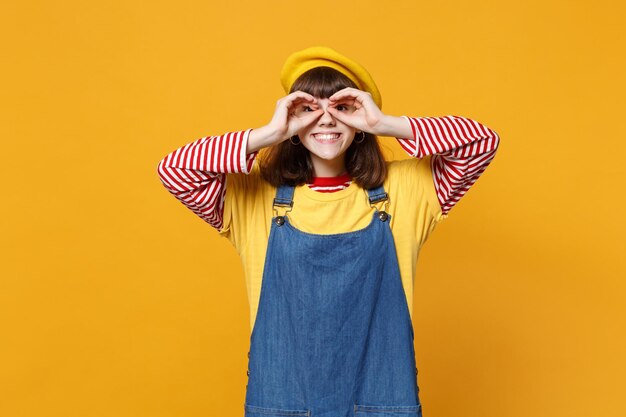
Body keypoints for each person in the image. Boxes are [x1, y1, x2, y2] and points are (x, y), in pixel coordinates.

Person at [156, 46, 500, 417]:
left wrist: (386, 124)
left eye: (342, 108)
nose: (326, 120)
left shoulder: (406, 192)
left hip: (381, 402)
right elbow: (175, 170)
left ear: (362, 119)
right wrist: (268, 133)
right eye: (308, 109)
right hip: (281, 402)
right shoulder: (253, 197)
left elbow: (481, 142)